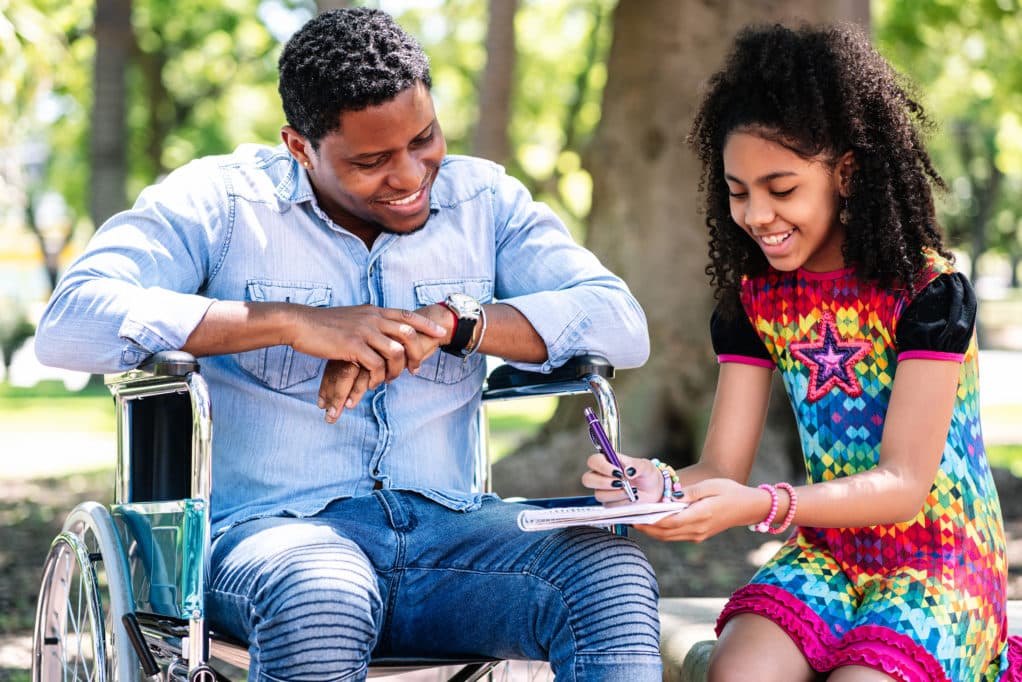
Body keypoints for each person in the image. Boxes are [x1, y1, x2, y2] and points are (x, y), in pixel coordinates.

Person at [34, 7, 663, 681]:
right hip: (271, 539)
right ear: (299, 146)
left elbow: (621, 323)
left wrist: (454, 323)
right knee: (323, 589)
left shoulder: (484, 202)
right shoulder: (219, 203)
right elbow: (70, 323)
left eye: (425, 138)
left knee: (607, 575)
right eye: (371, 160)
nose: (410, 174)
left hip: (450, 536)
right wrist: (289, 320)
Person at [582, 22, 1022, 682]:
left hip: (940, 560)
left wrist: (762, 506)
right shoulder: (754, 302)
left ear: (846, 174)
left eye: (781, 189)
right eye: (738, 192)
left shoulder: (927, 294)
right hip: (829, 557)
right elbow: (721, 466)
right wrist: (660, 488)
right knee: (738, 671)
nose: (757, 214)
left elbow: (903, 486)